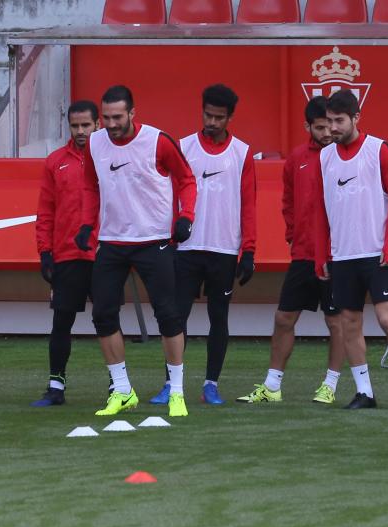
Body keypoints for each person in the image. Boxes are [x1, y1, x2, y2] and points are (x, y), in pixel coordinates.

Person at [75, 85, 197, 417]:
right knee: (102, 314)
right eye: (106, 118)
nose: (111, 124)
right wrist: (87, 224)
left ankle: (177, 392)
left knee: (169, 315)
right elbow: (89, 183)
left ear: (132, 113)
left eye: (118, 117)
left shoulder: (158, 141)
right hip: (112, 242)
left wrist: (186, 216)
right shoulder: (96, 143)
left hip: (154, 240)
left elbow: (186, 179)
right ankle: (122, 390)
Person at [149, 84, 256, 406]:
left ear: (230, 117)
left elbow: (248, 204)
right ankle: (172, 384)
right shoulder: (183, 147)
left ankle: (211, 384)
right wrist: (168, 237)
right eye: (208, 115)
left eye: (219, 117)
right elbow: (168, 196)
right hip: (186, 249)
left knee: (218, 318)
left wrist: (248, 250)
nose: (212, 122)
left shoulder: (242, 152)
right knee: (175, 318)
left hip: (224, 250)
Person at [236, 96, 346, 405]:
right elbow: (288, 201)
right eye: (321, 127)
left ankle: (331, 385)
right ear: (307, 126)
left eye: (332, 126)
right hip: (302, 254)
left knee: (335, 321)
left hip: (337, 256)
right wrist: (291, 233)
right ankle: (272, 386)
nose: (327, 133)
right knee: (284, 318)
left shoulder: (346, 156)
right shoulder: (297, 157)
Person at [313, 90, 388, 410]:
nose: (332, 128)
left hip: (376, 253)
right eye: (329, 121)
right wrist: (322, 254)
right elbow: (321, 210)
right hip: (342, 255)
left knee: (387, 320)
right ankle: (364, 392)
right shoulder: (325, 157)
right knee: (349, 324)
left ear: (356, 118)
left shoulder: (378, 150)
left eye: (339, 121)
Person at [32, 100, 100, 407]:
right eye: (75, 126)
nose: (81, 131)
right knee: (62, 322)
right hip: (66, 255)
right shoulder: (55, 161)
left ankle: (119, 387)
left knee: (107, 321)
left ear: (98, 124)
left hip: (104, 255)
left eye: (86, 125)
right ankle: (55, 386)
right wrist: (45, 252)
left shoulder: (111, 158)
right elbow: (45, 210)